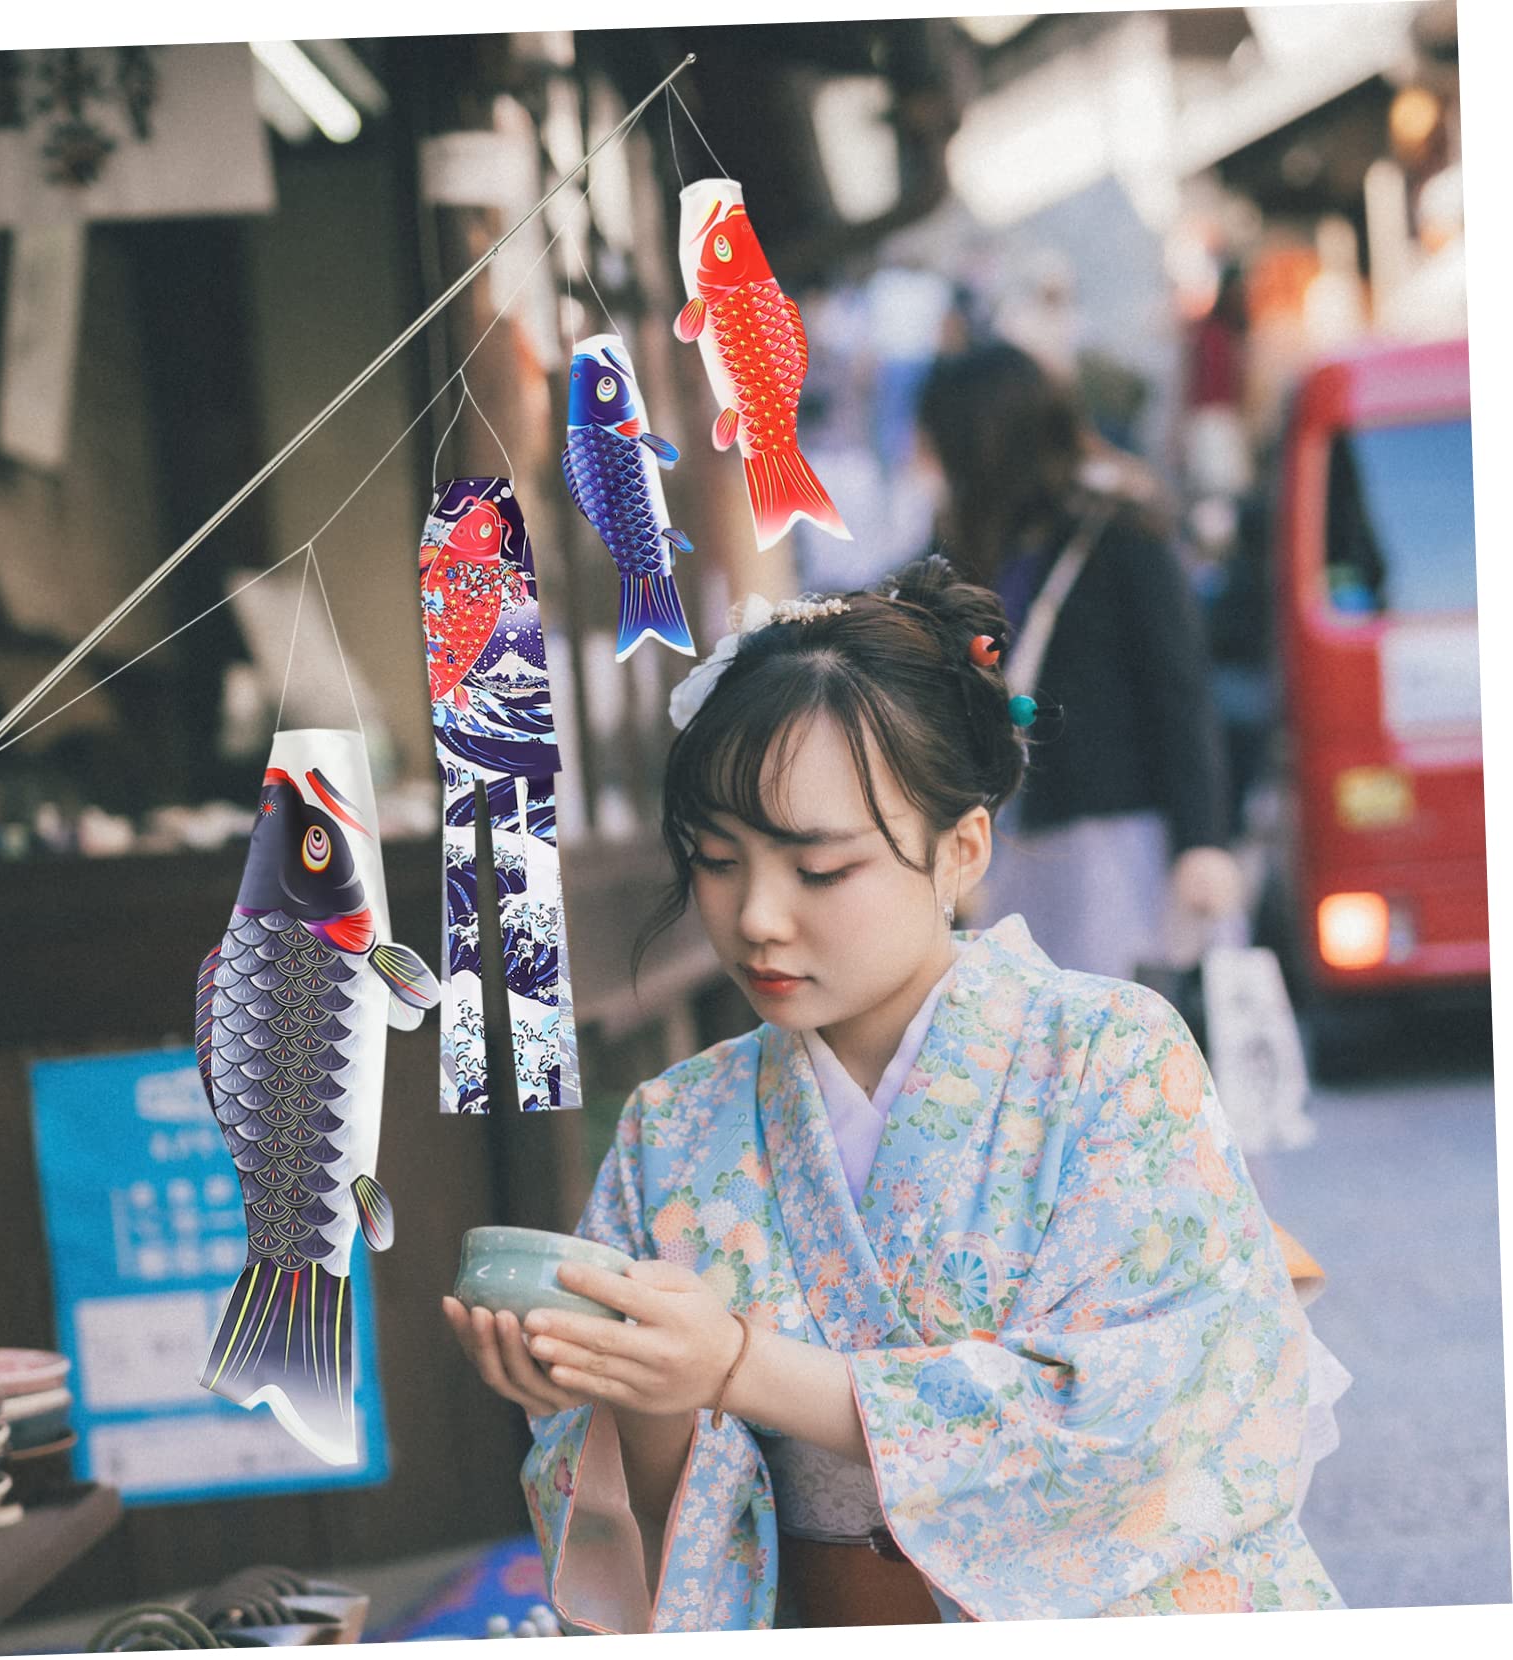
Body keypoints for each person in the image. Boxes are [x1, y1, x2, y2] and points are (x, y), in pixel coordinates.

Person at [441, 557, 1341, 1630]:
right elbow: (664, 1538)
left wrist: (739, 1364)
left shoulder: (1110, 1054)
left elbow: (1143, 1416)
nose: (757, 916)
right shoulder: (672, 1127)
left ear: (960, 848)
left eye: (817, 870)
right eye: (718, 861)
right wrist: (638, 1397)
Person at [915, 342, 1244, 979]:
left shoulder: (1119, 538)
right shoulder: (961, 555)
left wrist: (1203, 841)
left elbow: (1180, 695)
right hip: (1013, 846)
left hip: (1117, 841)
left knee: (1117, 1040)